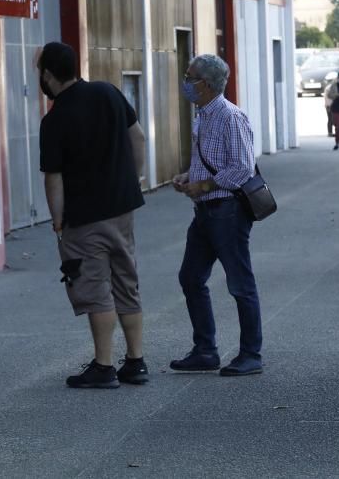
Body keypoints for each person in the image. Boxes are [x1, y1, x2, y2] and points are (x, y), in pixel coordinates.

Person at [37, 42, 148, 389]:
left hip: (84, 217)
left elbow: (53, 178)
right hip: (122, 209)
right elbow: (139, 138)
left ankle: (103, 366)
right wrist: (133, 181)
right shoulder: (108, 93)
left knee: (95, 288)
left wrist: (57, 220)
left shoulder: (55, 119)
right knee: (125, 282)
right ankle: (136, 361)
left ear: (48, 75)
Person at [170, 54, 263, 377]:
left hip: (228, 210)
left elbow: (241, 167)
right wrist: (188, 177)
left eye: (190, 76)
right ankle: (205, 350)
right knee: (191, 277)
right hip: (206, 210)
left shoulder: (230, 117)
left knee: (240, 283)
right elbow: (210, 159)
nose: (186, 82)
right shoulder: (203, 115)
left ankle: (251, 353)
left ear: (206, 85)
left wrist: (205, 184)